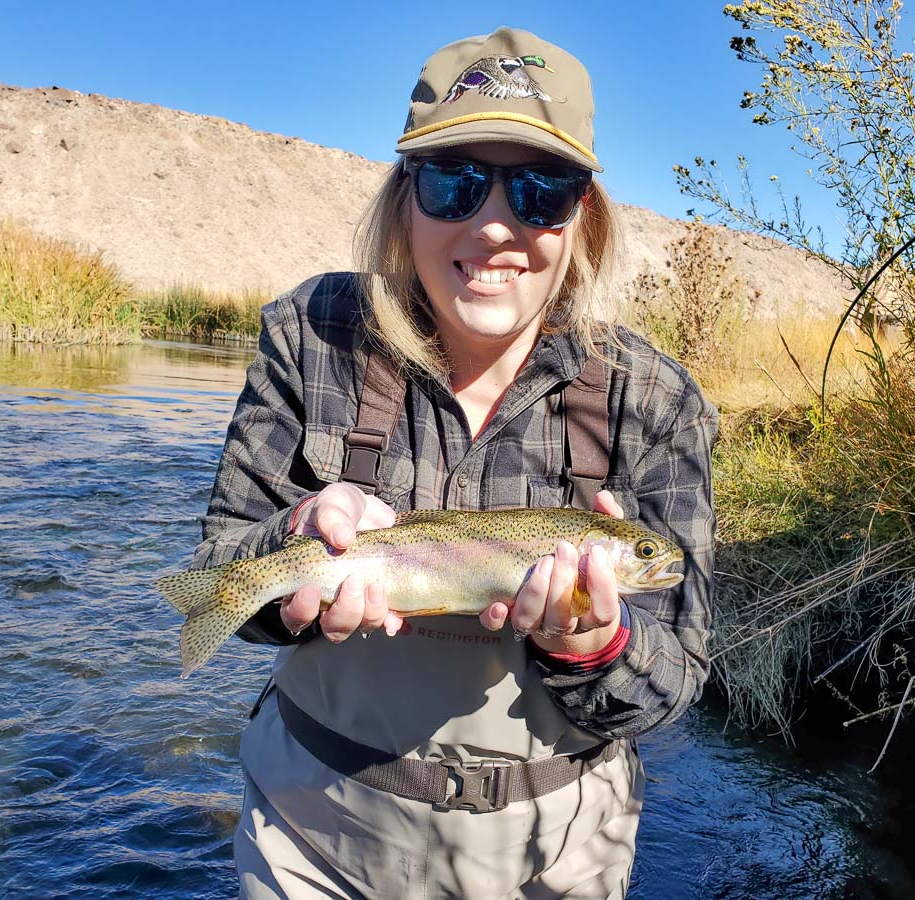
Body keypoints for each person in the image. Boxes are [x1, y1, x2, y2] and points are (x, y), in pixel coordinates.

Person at [193, 26, 717, 899]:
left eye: (542, 190)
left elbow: (672, 684)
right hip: (312, 839)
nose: (496, 224)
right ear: (405, 199)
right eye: (455, 182)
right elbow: (223, 575)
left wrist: (597, 643)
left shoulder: (655, 400)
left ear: (582, 214)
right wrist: (290, 547)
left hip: (551, 859)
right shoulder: (310, 336)